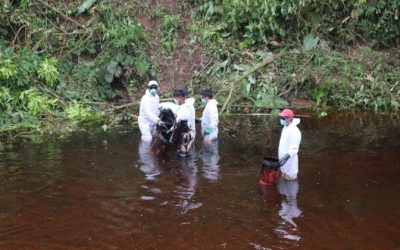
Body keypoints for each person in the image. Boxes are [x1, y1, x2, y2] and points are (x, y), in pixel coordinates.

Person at [278, 109, 302, 180]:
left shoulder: (295, 131)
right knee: (283, 181)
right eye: (281, 117)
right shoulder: (286, 127)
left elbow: (294, 149)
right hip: (283, 161)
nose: (281, 119)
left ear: (290, 118)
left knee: (290, 183)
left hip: (290, 163)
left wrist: (286, 157)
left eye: (283, 118)